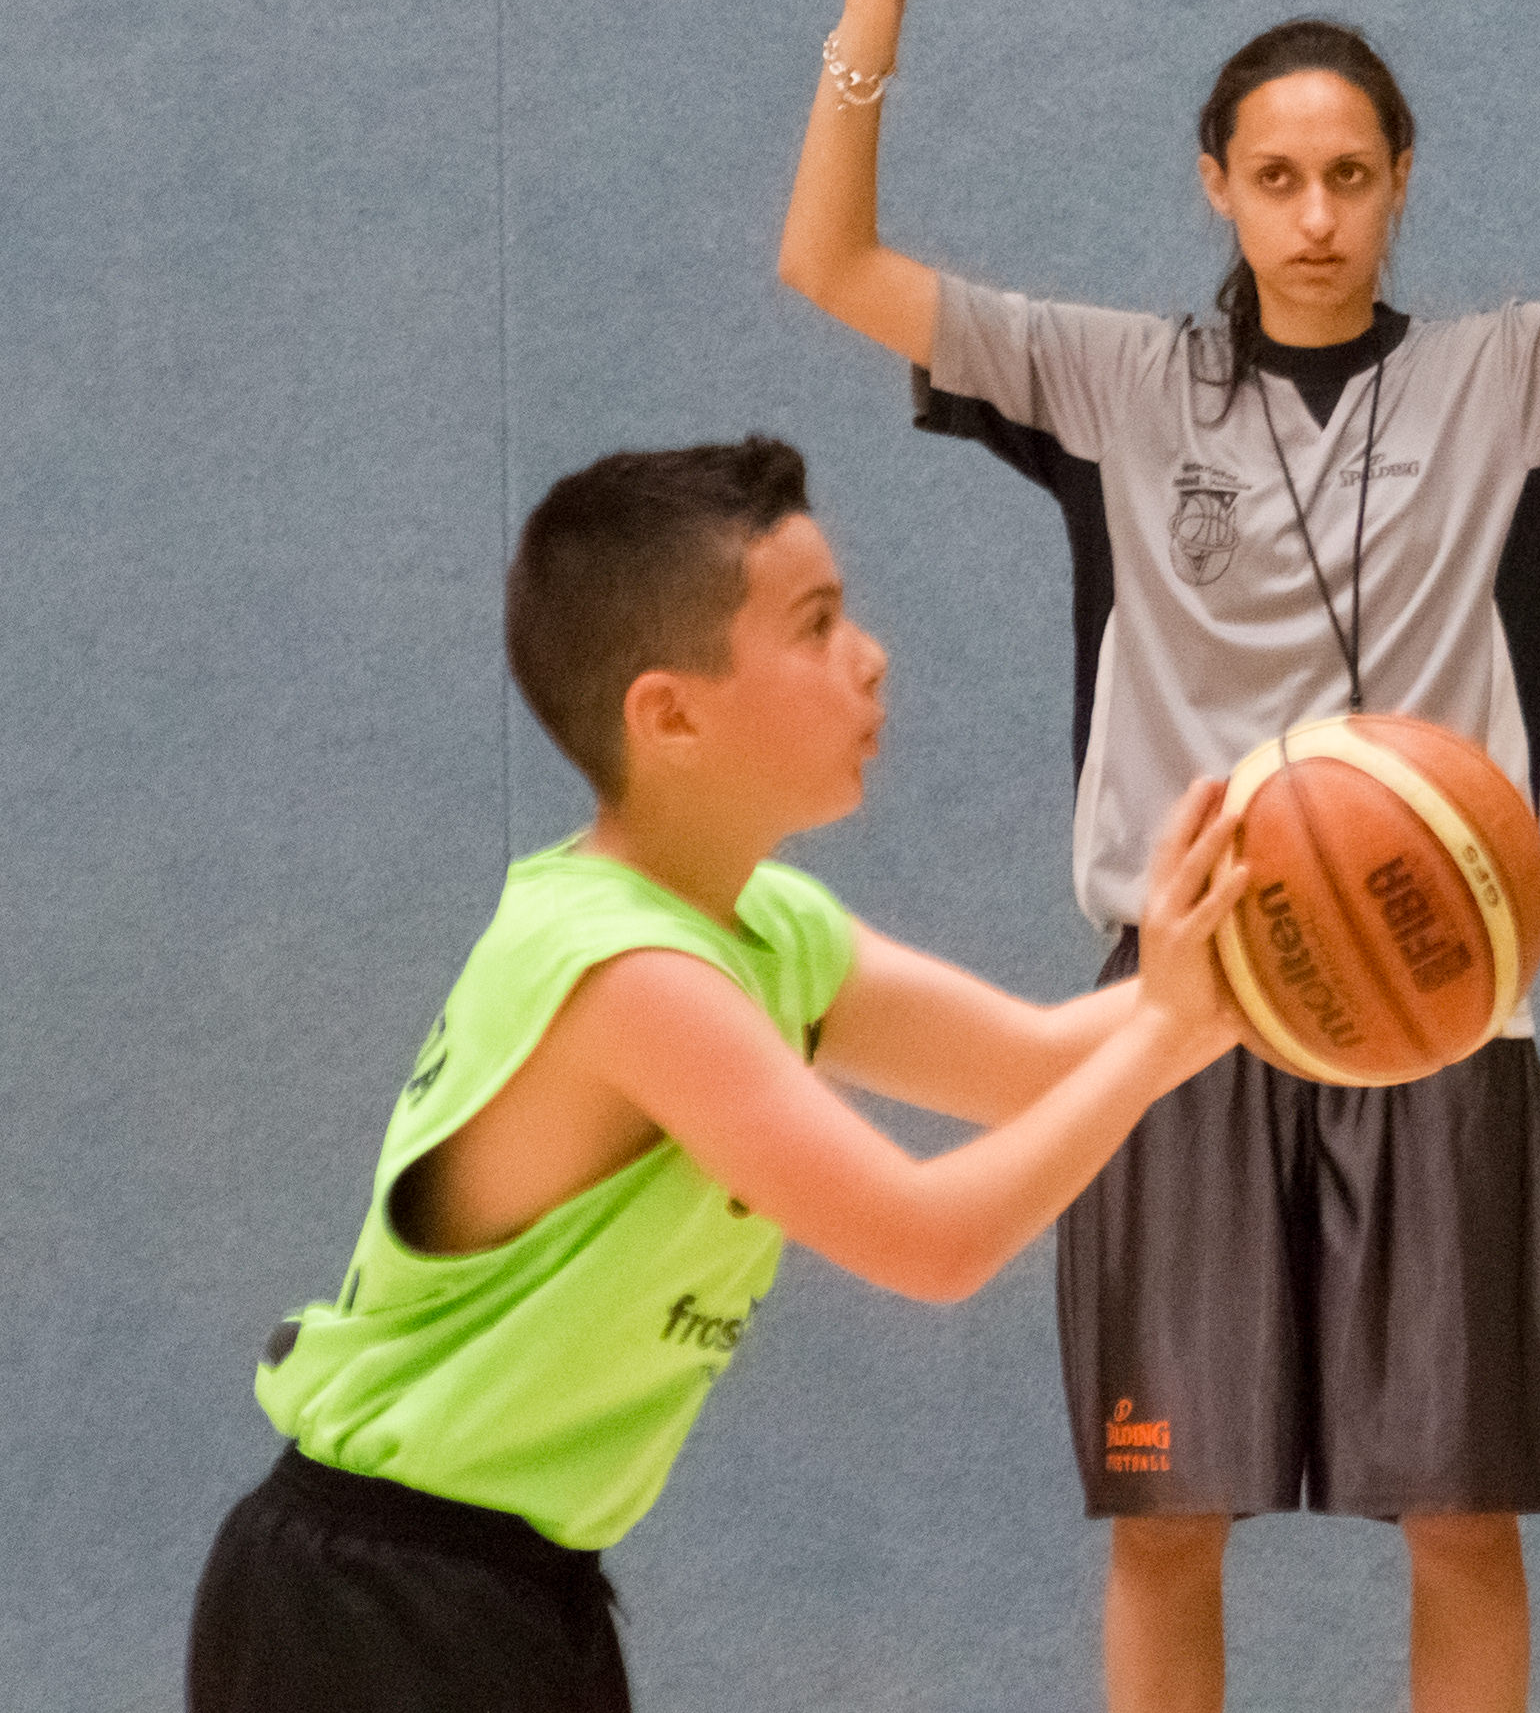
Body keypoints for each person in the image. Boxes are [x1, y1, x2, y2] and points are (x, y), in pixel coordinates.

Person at [776, 0, 1540, 1713]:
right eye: (1275, 175)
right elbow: (830, 266)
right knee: (1168, 1518)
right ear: (1216, 185)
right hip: (1175, 1000)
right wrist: (872, 11)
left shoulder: (1514, 378)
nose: (1315, 214)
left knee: (1460, 1517)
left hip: (1431, 988)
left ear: (1401, 177)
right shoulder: (1113, 382)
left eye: (1348, 173)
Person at [187, 437, 1252, 1712]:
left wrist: (1258, 970)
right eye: (816, 626)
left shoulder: (767, 929)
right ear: (671, 715)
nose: (870, 656)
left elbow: (1032, 1066)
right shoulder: (628, 975)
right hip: (370, 1605)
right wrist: (1168, 1028)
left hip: (511, 1586)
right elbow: (932, 1241)